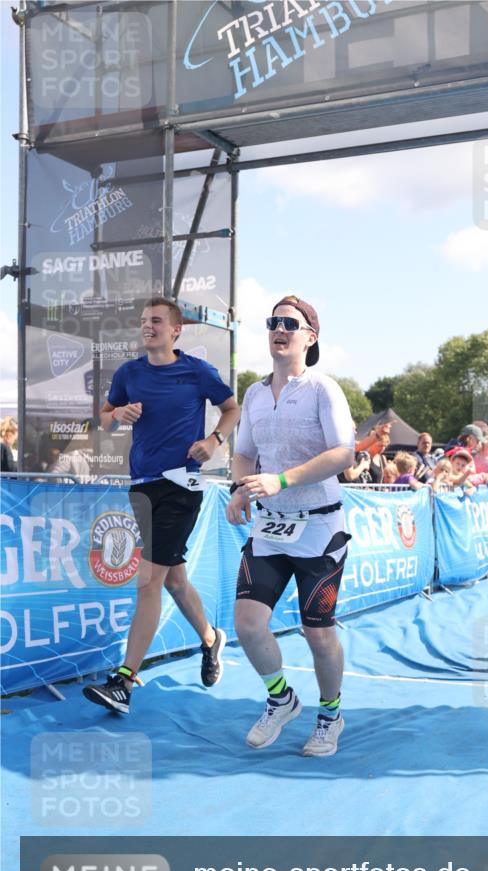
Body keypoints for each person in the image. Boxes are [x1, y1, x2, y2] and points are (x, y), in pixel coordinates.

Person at [83, 296, 240, 713]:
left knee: (148, 580)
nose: (147, 326)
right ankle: (211, 638)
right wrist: (119, 414)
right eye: (143, 320)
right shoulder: (129, 373)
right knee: (173, 581)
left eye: (155, 320)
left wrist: (214, 440)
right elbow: (103, 418)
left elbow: (231, 408)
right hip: (142, 487)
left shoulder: (197, 371)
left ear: (175, 330)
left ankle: (124, 681)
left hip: (181, 487)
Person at [225, 294, 355, 758]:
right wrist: (240, 489)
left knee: (318, 632)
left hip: (319, 529)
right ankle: (281, 699)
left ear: (310, 337)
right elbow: (244, 452)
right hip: (270, 527)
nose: (279, 330)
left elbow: (344, 454)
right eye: (273, 322)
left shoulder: (323, 389)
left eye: (290, 324)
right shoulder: (255, 393)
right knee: (247, 625)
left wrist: (281, 480)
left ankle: (330, 714)